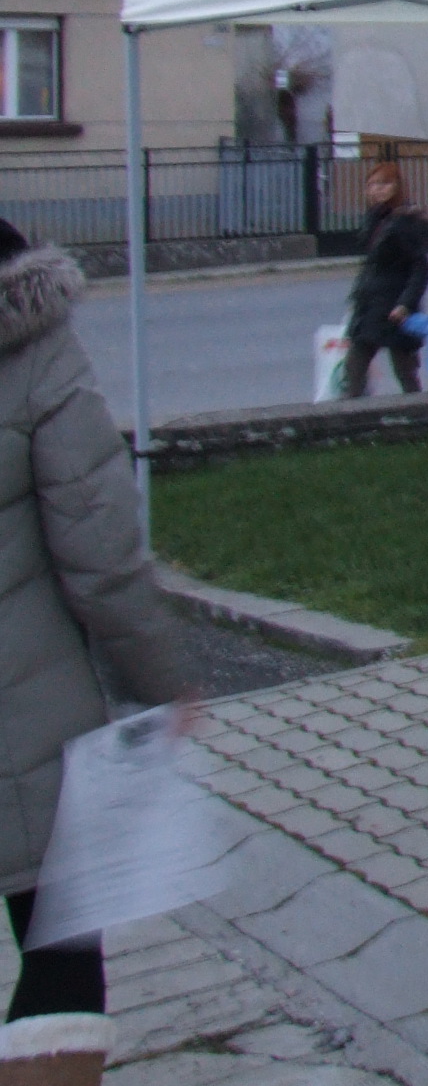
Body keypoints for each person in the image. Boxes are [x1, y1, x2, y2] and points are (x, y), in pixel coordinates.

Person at [0, 217, 191, 1077]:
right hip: (23, 726)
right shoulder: (32, 343)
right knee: (61, 958)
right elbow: (101, 550)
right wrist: (163, 683)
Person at [342, 164, 428, 398]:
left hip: (394, 308)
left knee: (405, 372)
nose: (378, 189)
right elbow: (371, 261)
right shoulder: (377, 218)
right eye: (372, 184)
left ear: (396, 187)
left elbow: (421, 267)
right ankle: (352, 416)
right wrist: (358, 298)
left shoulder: (404, 223)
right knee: (354, 369)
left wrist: (405, 304)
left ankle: (419, 414)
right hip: (371, 306)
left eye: (384, 183)